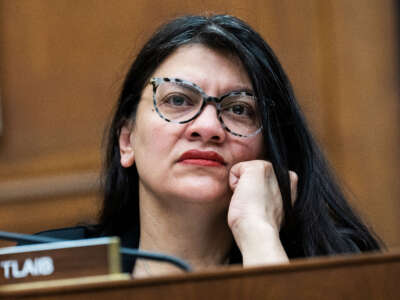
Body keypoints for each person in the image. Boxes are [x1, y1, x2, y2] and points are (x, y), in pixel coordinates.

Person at [37, 14, 381, 276]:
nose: (207, 127)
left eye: (238, 109)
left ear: (268, 148)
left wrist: (258, 235)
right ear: (127, 141)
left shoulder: (341, 272)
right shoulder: (52, 265)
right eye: (177, 100)